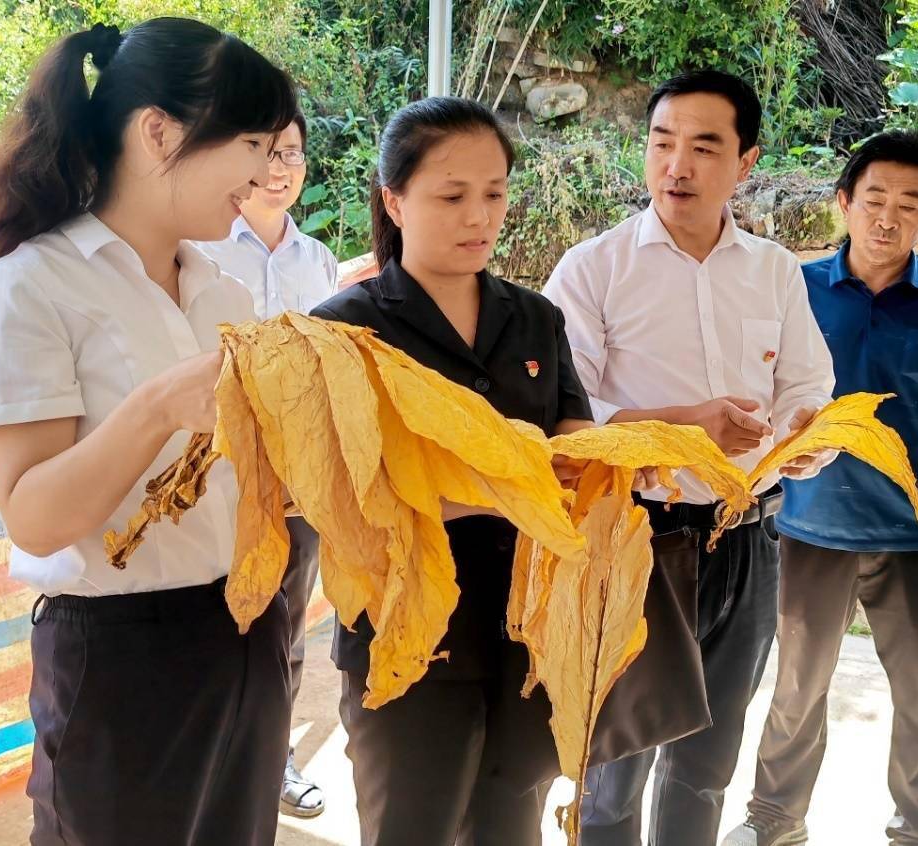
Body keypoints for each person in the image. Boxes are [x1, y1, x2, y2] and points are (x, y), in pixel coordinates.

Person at [0, 18, 299, 845]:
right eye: (253, 143)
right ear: (159, 132)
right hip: (117, 660)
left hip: (247, 629)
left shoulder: (223, 292)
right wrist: (155, 408)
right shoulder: (26, 288)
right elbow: (36, 516)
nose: (264, 173)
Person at [544, 69, 837, 846]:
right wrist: (685, 427)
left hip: (747, 535)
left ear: (745, 164)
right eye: (661, 142)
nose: (677, 165)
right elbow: (567, 419)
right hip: (633, 539)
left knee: (707, 761)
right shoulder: (593, 268)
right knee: (614, 767)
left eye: (704, 147)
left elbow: (806, 383)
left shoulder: (773, 269)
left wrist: (804, 438)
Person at [309, 97, 595, 846]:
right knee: (412, 827)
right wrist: (496, 487)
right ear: (393, 200)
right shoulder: (344, 331)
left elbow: (572, 439)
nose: (480, 216)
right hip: (405, 635)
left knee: (511, 825)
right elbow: (331, 495)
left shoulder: (535, 318)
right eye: (452, 195)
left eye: (495, 193)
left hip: (526, 625)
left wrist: (635, 456)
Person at [723, 131, 918, 846]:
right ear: (843, 203)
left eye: (908, 204)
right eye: (872, 198)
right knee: (795, 691)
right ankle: (773, 822)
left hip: (916, 535)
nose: (887, 216)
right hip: (810, 527)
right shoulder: (796, 288)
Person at [196, 110, 336, 819]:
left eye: (295, 154)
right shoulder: (202, 250)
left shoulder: (316, 260)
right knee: (218, 619)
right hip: (222, 480)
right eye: (268, 152)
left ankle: (273, 760)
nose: (282, 168)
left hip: (300, 480)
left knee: (285, 624)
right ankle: (215, 759)